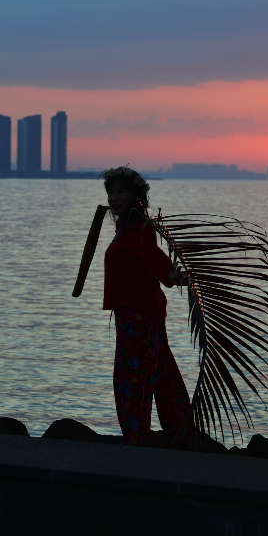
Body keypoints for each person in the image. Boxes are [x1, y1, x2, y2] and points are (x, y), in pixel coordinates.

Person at [102, 166, 191, 447]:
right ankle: (183, 436)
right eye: (111, 192)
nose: (114, 197)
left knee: (132, 380)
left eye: (121, 191)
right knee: (163, 377)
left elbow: (155, 261)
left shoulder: (139, 227)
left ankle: (136, 441)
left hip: (139, 316)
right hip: (135, 314)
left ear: (136, 195)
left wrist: (174, 276)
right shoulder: (126, 227)